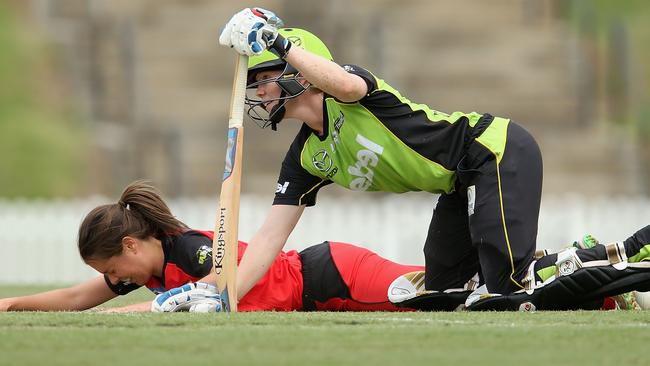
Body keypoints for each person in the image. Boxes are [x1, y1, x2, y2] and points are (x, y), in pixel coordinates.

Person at [216, 8, 650, 310]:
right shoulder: (305, 158)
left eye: (265, 78)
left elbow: (345, 87)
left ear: (300, 73)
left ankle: (628, 251)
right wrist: (224, 297)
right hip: (459, 184)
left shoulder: (352, 93)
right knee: (446, 291)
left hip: (491, 152)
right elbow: (270, 239)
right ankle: (576, 265)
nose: (259, 91)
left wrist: (276, 40)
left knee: (507, 288)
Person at [0, 181, 425, 313]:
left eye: (111, 268)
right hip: (319, 298)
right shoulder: (148, 270)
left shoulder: (189, 249)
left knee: (435, 293)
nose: (112, 281)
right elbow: (77, 299)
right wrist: (10, 304)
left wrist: (162, 303)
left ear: (130, 245)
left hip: (333, 273)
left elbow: (220, 291)